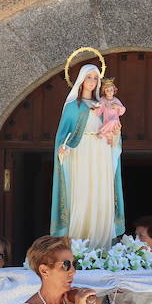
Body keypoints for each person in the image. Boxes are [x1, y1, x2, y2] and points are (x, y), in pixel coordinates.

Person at [50, 64, 124, 248]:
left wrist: (115, 132)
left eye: (96, 78)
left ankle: (101, 245)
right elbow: (63, 134)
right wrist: (64, 146)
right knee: (82, 194)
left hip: (101, 153)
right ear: (82, 80)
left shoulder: (104, 104)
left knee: (101, 195)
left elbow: (112, 128)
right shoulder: (72, 106)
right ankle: (78, 245)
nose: (93, 81)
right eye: (89, 77)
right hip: (80, 154)